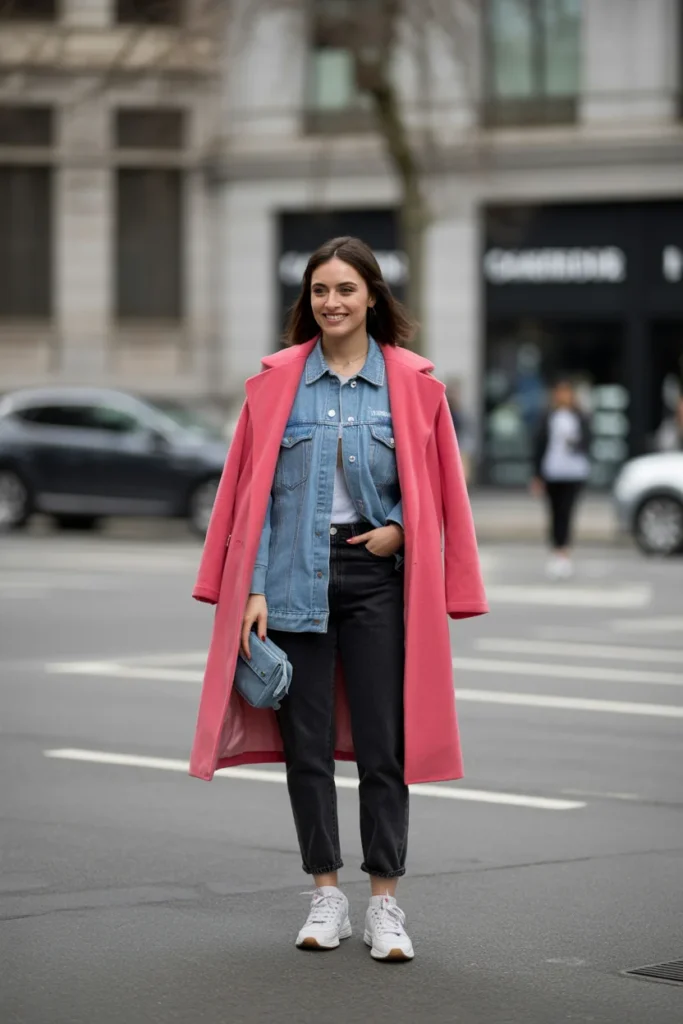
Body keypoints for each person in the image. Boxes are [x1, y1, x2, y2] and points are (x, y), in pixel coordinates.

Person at [189, 236, 488, 963]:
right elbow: (249, 499)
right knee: (307, 749)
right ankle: (326, 893)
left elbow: (442, 494)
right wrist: (252, 586)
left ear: (372, 298)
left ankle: (384, 901)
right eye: (319, 290)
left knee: (385, 747)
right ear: (307, 301)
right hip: (292, 579)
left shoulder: (414, 385)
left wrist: (399, 532)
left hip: (378, 579)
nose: (331, 302)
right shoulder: (276, 384)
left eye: (345, 290)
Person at [531, 378, 591, 579]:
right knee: (554, 511)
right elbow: (539, 445)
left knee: (567, 510)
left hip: (574, 471)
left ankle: (564, 551)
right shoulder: (548, 416)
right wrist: (537, 474)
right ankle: (556, 550)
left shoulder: (580, 417)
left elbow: (588, 442)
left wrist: (576, 443)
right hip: (552, 471)